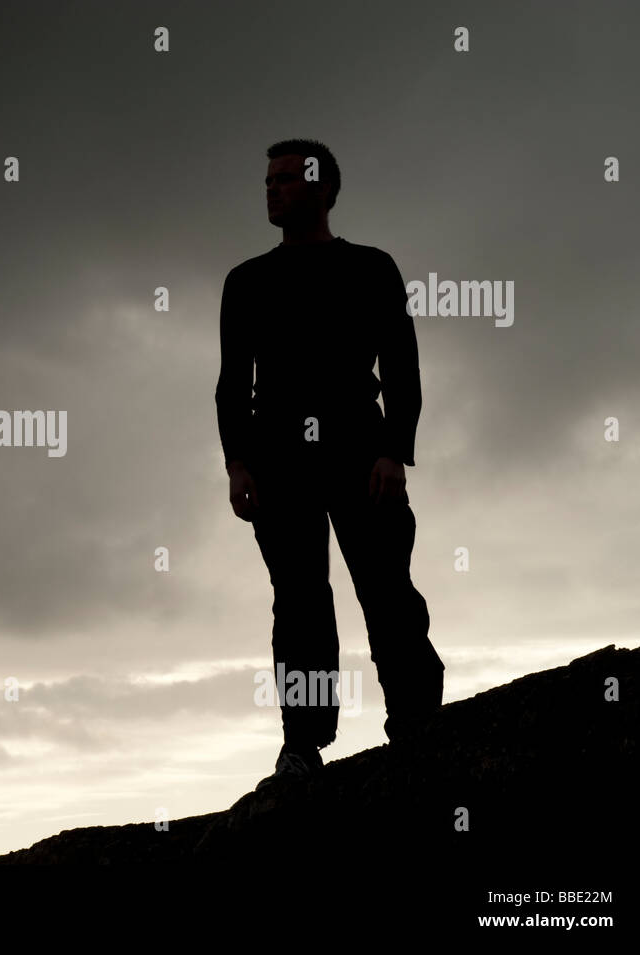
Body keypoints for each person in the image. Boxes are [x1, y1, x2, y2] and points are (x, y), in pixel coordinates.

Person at [215, 139, 446, 791]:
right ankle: (303, 743)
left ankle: (416, 721)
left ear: (323, 188)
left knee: (387, 588)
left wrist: (394, 451)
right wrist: (238, 463)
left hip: (358, 449)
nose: (272, 189)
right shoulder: (247, 281)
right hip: (278, 461)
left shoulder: (370, 268)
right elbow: (234, 383)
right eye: (268, 179)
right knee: (300, 606)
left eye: (287, 179)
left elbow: (401, 364)